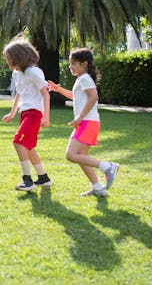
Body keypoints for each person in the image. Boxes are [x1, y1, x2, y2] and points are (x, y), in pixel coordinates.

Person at [48, 48, 119, 197]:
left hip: (87, 122)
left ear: (84, 63)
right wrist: (59, 90)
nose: (70, 67)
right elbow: (76, 97)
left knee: (71, 155)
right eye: (70, 64)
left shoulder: (84, 78)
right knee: (81, 157)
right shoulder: (82, 79)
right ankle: (98, 187)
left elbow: (94, 97)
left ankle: (108, 167)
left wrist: (79, 117)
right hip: (87, 123)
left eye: (74, 63)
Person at [1, 38, 53, 191]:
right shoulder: (16, 74)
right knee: (28, 147)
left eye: (8, 58)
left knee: (18, 142)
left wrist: (46, 116)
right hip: (25, 113)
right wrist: (12, 113)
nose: (7, 61)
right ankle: (44, 178)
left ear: (18, 57)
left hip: (35, 113)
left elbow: (46, 94)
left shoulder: (33, 72)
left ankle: (27, 180)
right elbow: (20, 94)